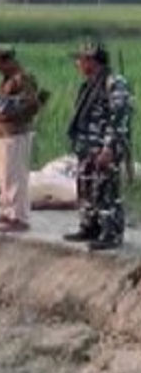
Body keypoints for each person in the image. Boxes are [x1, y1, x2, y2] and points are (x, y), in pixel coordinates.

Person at [64, 43, 134, 250]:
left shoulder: (114, 83)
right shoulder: (90, 84)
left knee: (106, 190)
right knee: (87, 187)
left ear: (91, 61)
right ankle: (90, 226)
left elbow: (120, 117)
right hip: (88, 146)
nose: (78, 63)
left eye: (81, 59)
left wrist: (109, 147)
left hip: (104, 146)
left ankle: (111, 232)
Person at [0, 46, 43, 233]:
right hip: (4, 133)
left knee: (16, 175)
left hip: (16, 133)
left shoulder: (22, 79)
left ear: (7, 62)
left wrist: (10, 109)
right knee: (5, 175)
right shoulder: (8, 80)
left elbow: (32, 105)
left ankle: (19, 216)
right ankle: (7, 211)